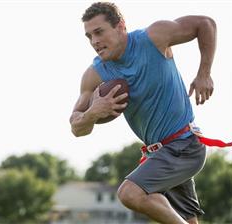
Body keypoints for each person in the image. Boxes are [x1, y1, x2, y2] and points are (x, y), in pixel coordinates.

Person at [69, 2, 217, 224]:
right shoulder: (95, 74)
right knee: (189, 220)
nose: (94, 42)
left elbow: (205, 24)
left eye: (99, 32)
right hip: (159, 154)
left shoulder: (155, 37)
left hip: (184, 145)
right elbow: (76, 126)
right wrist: (93, 112)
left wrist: (204, 73)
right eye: (89, 36)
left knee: (130, 193)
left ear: (120, 26)